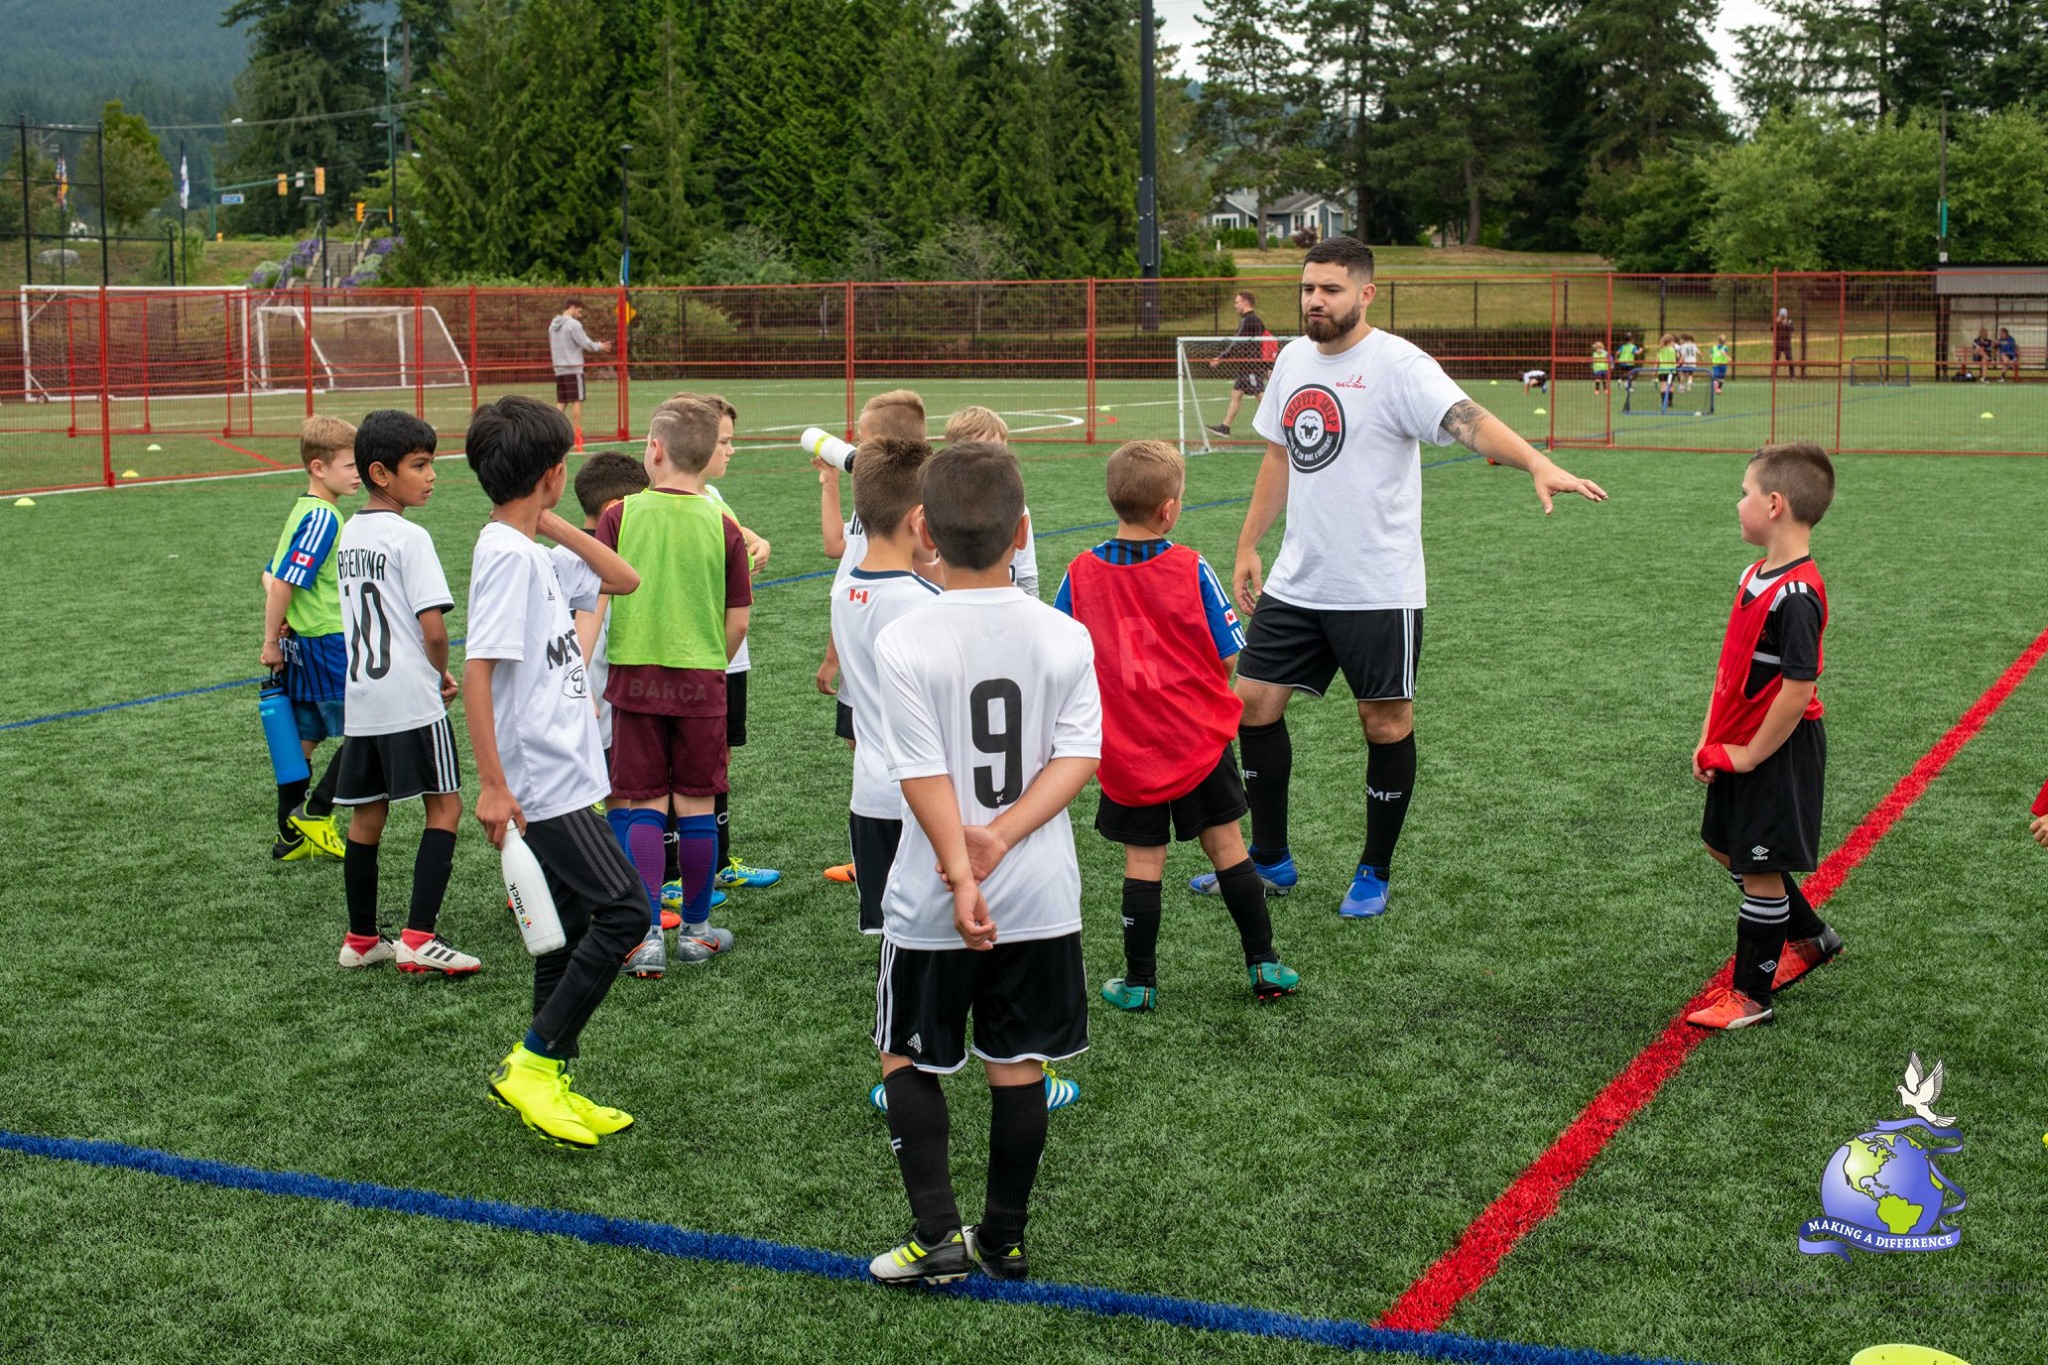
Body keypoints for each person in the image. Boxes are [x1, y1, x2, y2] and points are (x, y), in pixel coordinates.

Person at [1204, 235, 1606, 919]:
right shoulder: (1293, 357)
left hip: (1376, 585)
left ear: (1365, 294)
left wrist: (1536, 462)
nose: (1315, 300)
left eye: (1330, 289)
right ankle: (1269, 858)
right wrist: (1248, 543)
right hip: (1299, 580)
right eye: (1307, 288)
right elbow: (1278, 455)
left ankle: (1374, 869)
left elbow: (1468, 421)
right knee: (1253, 705)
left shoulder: (1399, 365)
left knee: (1384, 722)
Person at [865, 441, 1101, 1287]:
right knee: (1020, 1062)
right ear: (1022, 531)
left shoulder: (906, 637)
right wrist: (1002, 837)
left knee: (903, 1053)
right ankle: (1003, 1238)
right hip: (1038, 891)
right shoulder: (1065, 633)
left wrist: (964, 873)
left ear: (923, 530)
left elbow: (920, 771)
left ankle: (937, 1236)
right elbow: (1079, 755)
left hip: (933, 892)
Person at [1054, 439, 1299, 1011]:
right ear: (1168, 510)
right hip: (1196, 741)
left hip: (1125, 747)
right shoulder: (1191, 566)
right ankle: (1264, 964)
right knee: (1228, 848)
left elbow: (1060, 653)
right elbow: (1231, 655)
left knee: (1143, 863)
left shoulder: (1079, 572)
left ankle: (1139, 983)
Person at [463, 395, 642, 1148]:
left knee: (565, 933)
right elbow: (477, 670)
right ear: (552, 474)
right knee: (627, 911)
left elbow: (623, 578)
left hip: (564, 770)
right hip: (541, 781)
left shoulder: (529, 547)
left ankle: (550, 1076)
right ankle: (533, 1063)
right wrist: (493, 783)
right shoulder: (507, 557)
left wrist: (548, 517)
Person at [1687, 442, 1841, 1030]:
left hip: (1777, 750)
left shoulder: (1797, 595)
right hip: (1738, 741)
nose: (1738, 503)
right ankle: (1810, 936)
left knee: (1758, 868)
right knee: (1725, 846)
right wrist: (1710, 737)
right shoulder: (1753, 575)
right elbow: (1730, 666)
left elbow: (1797, 691)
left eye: (1745, 493)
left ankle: (1751, 996)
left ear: (1774, 504)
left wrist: (1750, 753)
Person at [598, 396, 751, 976]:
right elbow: (738, 620)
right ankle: (696, 932)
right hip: (701, 681)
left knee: (642, 803)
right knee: (696, 804)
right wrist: (710, 662)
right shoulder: (724, 525)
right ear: (707, 453)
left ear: (655, 449)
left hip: (634, 677)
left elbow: (596, 600)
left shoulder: (619, 516)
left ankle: (644, 938)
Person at [331, 410, 476, 974]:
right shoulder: (410, 536)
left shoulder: (350, 533)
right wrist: (441, 673)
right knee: (446, 805)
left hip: (364, 698)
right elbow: (433, 630)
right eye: (419, 465)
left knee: (368, 816)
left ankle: (361, 939)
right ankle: (418, 937)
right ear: (381, 473)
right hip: (411, 695)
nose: (431, 475)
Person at [817, 389, 933, 884]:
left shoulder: (852, 594)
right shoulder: (921, 601)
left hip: (884, 792)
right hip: (915, 791)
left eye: (862, 440)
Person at [831, 435, 944, 946]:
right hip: (922, 800)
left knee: (891, 937)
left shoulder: (843, 591)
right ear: (919, 519)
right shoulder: (927, 603)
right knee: (939, 934)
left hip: (869, 795)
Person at [668, 393, 780, 898]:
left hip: (732, 654)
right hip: (700, 651)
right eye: (725, 441)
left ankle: (717, 862)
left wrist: (759, 545)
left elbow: (747, 539)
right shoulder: (672, 503)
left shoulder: (712, 497)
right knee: (681, 764)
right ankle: (674, 872)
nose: (731, 450)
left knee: (718, 759)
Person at [259, 415, 360, 863]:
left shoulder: (303, 509)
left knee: (302, 738)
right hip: (327, 642)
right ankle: (316, 812)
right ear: (318, 467)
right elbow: (282, 582)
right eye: (350, 465)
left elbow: (270, 573)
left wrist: (285, 623)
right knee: (370, 731)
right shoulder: (323, 517)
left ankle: (291, 837)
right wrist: (270, 639)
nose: (358, 473)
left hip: (304, 641)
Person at [942, 406, 1039, 597]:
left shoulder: (1017, 509)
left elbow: (1026, 574)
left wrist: (1030, 606)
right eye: (985, 451)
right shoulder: (941, 505)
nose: (996, 460)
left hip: (1007, 606)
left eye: (1001, 451)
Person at [1204, 290, 1273, 438]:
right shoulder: (1251, 320)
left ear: (1245, 302)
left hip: (1251, 366)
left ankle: (1279, 424)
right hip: (1245, 366)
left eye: (1237, 302)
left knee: (1260, 394)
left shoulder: (1250, 320)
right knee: (1236, 394)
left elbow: (1237, 343)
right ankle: (1225, 427)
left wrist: (1220, 357)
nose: (1235, 305)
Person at [548, 298, 609, 445]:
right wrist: (599, 346)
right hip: (573, 368)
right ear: (572, 308)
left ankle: (552, 432)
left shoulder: (552, 326)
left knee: (561, 402)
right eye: (579, 311)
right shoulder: (573, 325)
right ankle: (577, 434)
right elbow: (584, 342)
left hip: (559, 369)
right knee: (577, 400)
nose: (580, 315)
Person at [1655, 333, 1679, 411]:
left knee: (1663, 386)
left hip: (1662, 370)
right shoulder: (1673, 350)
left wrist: (1655, 370)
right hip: (1671, 370)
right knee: (1671, 386)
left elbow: (1657, 361)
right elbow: (1678, 357)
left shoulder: (1661, 350)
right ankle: (1670, 401)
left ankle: (1663, 402)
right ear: (1671, 341)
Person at [1773, 308, 1795, 377]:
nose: (1782, 317)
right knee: (1776, 359)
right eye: (1781, 315)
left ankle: (1792, 376)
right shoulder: (1777, 322)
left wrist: (1786, 324)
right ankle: (1773, 375)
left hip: (1786, 344)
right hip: (1778, 343)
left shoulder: (1790, 322)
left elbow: (1792, 330)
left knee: (1790, 359)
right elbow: (1772, 329)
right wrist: (1776, 322)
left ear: (1786, 315)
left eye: (1784, 315)